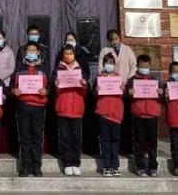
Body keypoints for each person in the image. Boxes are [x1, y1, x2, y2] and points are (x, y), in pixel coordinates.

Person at [11, 42, 48, 177]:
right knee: (24, 138)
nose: (30, 52)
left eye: (33, 50)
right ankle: (25, 167)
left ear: (38, 52)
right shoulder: (19, 68)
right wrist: (14, 90)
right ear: (25, 52)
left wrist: (46, 91)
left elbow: (50, 86)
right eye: (28, 50)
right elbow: (12, 86)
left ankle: (36, 167)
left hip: (38, 107)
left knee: (37, 138)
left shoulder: (44, 69)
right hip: (23, 106)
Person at [53, 44, 87, 176]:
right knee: (65, 138)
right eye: (66, 54)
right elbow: (54, 92)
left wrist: (84, 85)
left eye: (70, 53)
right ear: (63, 55)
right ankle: (67, 164)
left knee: (76, 139)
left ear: (74, 54)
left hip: (77, 109)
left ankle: (76, 163)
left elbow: (85, 93)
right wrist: (56, 85)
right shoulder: (58, 70)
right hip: (63, 108)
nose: (68, 56)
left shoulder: (80, 70)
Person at [127, 54, 163, 177]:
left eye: (147, 67)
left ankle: (153, 167)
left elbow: (163, 97)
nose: (145, 69)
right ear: (137, 66)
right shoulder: (132, 80)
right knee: (139, 142)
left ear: (150, 66)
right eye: (142, 66)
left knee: (152, 142)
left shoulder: (155, 80)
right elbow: (125, 94)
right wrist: (129, 92)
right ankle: (140, 166)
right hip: (138, 114)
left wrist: (161, 93)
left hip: (152, 114)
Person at [94, 53, 124, 177]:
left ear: (114, 64)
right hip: (103, 113)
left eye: (111, 62)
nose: (109, 65)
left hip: (116, 114)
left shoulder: (118, 78)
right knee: (105, 141)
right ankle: (106, 166)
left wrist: (123, 89)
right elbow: (94, 94)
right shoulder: (99, 78)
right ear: (103, 64)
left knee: (115, 141)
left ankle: (115, 166)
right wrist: (97, 90)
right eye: (107, 62)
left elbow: (122, 95)